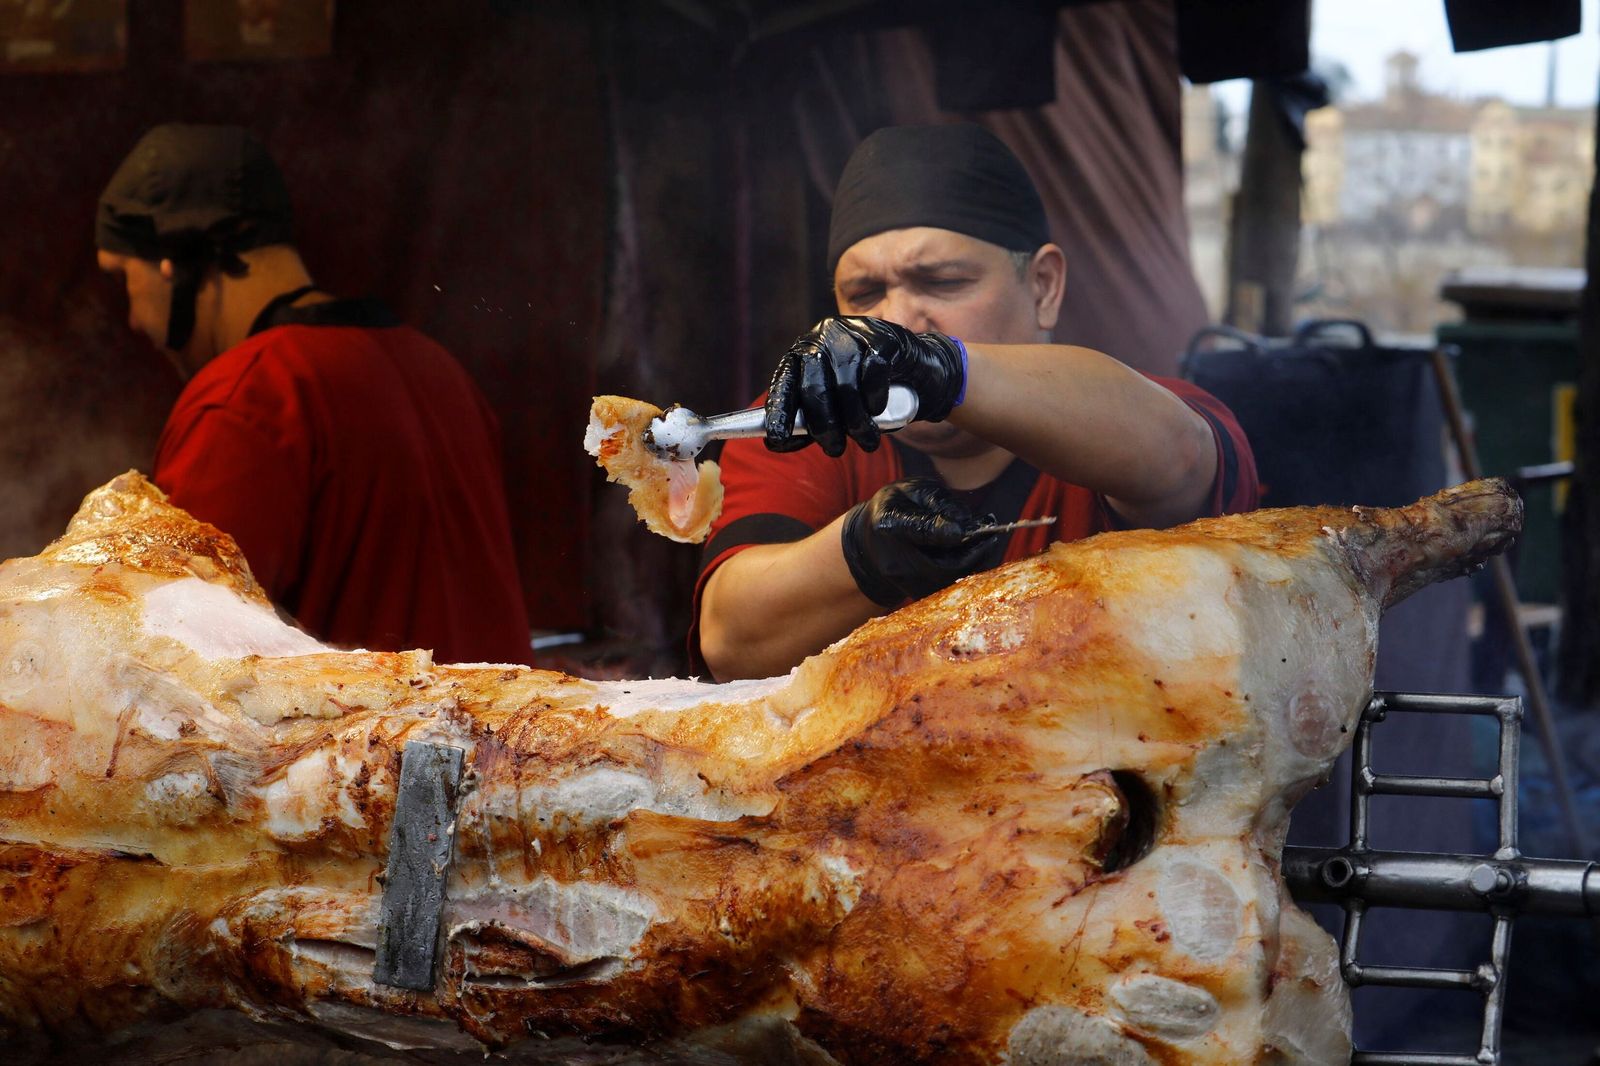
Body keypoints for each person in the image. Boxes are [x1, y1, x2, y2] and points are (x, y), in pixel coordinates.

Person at [694, 123, 1258, 680]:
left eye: (941, 282)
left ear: (1043, 287)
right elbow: (729, 640)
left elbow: (1176, 458)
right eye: (865, 295)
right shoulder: (810, 421)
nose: (896, 319)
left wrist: (945, 367)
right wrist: (861, 552)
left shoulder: (1144, 408)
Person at [95, 123, 531, 664]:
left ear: (171, 262)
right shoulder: (439, 369)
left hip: (371, 747)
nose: (135, 320)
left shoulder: (246, 399)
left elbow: (174, 665)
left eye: (123, 280)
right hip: (507, 738)